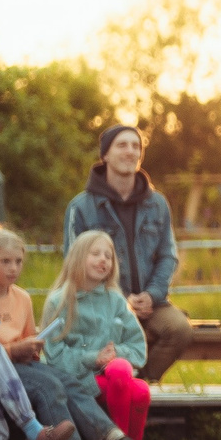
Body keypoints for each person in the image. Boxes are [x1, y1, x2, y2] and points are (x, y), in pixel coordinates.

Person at [62, 124, 193, 382]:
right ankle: (114, 389)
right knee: (107, 339)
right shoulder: (82, 207)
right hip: (102, 303)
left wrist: (152, 295)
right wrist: (121, 300)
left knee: (180, 330)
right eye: (122, 145)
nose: (130, 151)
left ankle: (139, 384)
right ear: (105, 155)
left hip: (150, 304)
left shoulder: (157, 204)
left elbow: (167, 255)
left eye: (136, 146)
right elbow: (73, 262)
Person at [40, 231, 156, 440]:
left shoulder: (116, 300)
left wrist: (113, 355)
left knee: (139, 388)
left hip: (114, 376)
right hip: (78, 379)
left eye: (108, 256)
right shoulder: (59, 301)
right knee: (127, 379)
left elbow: (138, 348)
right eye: (95, 254)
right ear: (77, 257)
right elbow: (54, 355)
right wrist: (94, 358)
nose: (103, 259)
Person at [0, 226, 83, 440]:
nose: (13, 268)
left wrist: (33, 346)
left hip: (22, 361)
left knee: (69, 381)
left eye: (18, 261)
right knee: (48, 386)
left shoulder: (22, 297)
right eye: (5, 261)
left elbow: (28, 336)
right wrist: (15, 349)